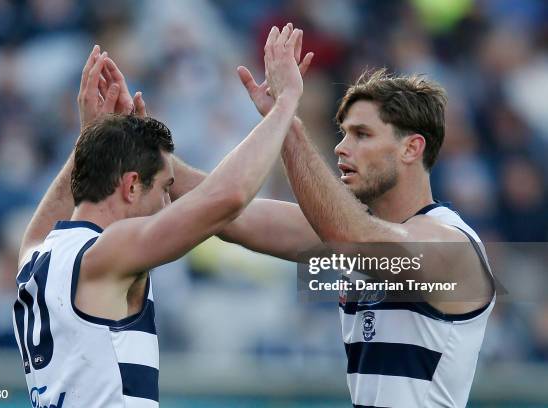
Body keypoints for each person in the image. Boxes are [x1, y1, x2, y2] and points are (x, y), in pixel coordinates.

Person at [115, 23, 493, 407]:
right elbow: (228, 213)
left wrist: (286, 119)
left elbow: (353, 239)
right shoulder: (356, 235)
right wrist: (142, 147)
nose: (342, 148)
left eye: (362, 135)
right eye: (343, 134)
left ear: (412, 149)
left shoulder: (450, 247)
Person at [13, 25, 305, 408]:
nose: (170, 202)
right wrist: (285, 105)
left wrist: (93, 136)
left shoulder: (36, 254)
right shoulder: (107, 253)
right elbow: (228, 198)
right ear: (131, 186)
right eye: (166, 188)